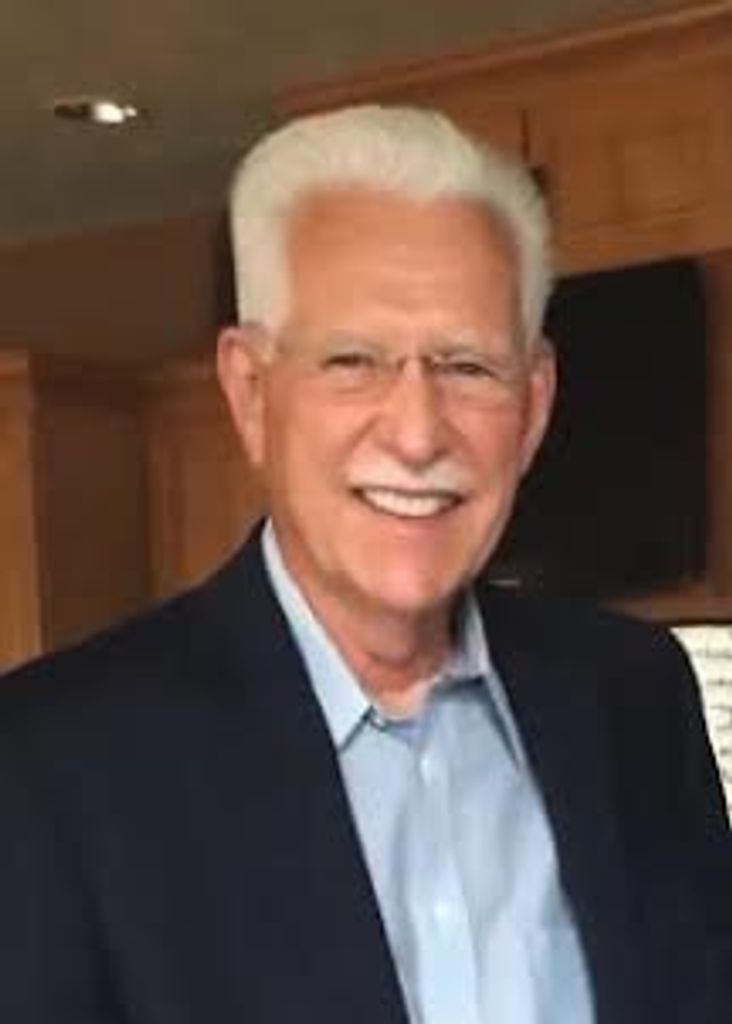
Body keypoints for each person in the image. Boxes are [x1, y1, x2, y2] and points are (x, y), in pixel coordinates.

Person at [0, 105, 729, 1024]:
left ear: (535, 403)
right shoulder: (51, 767)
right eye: (353, 361)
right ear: (251, 391)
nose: (418, 434)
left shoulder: (633, 697)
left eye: (468, 367)